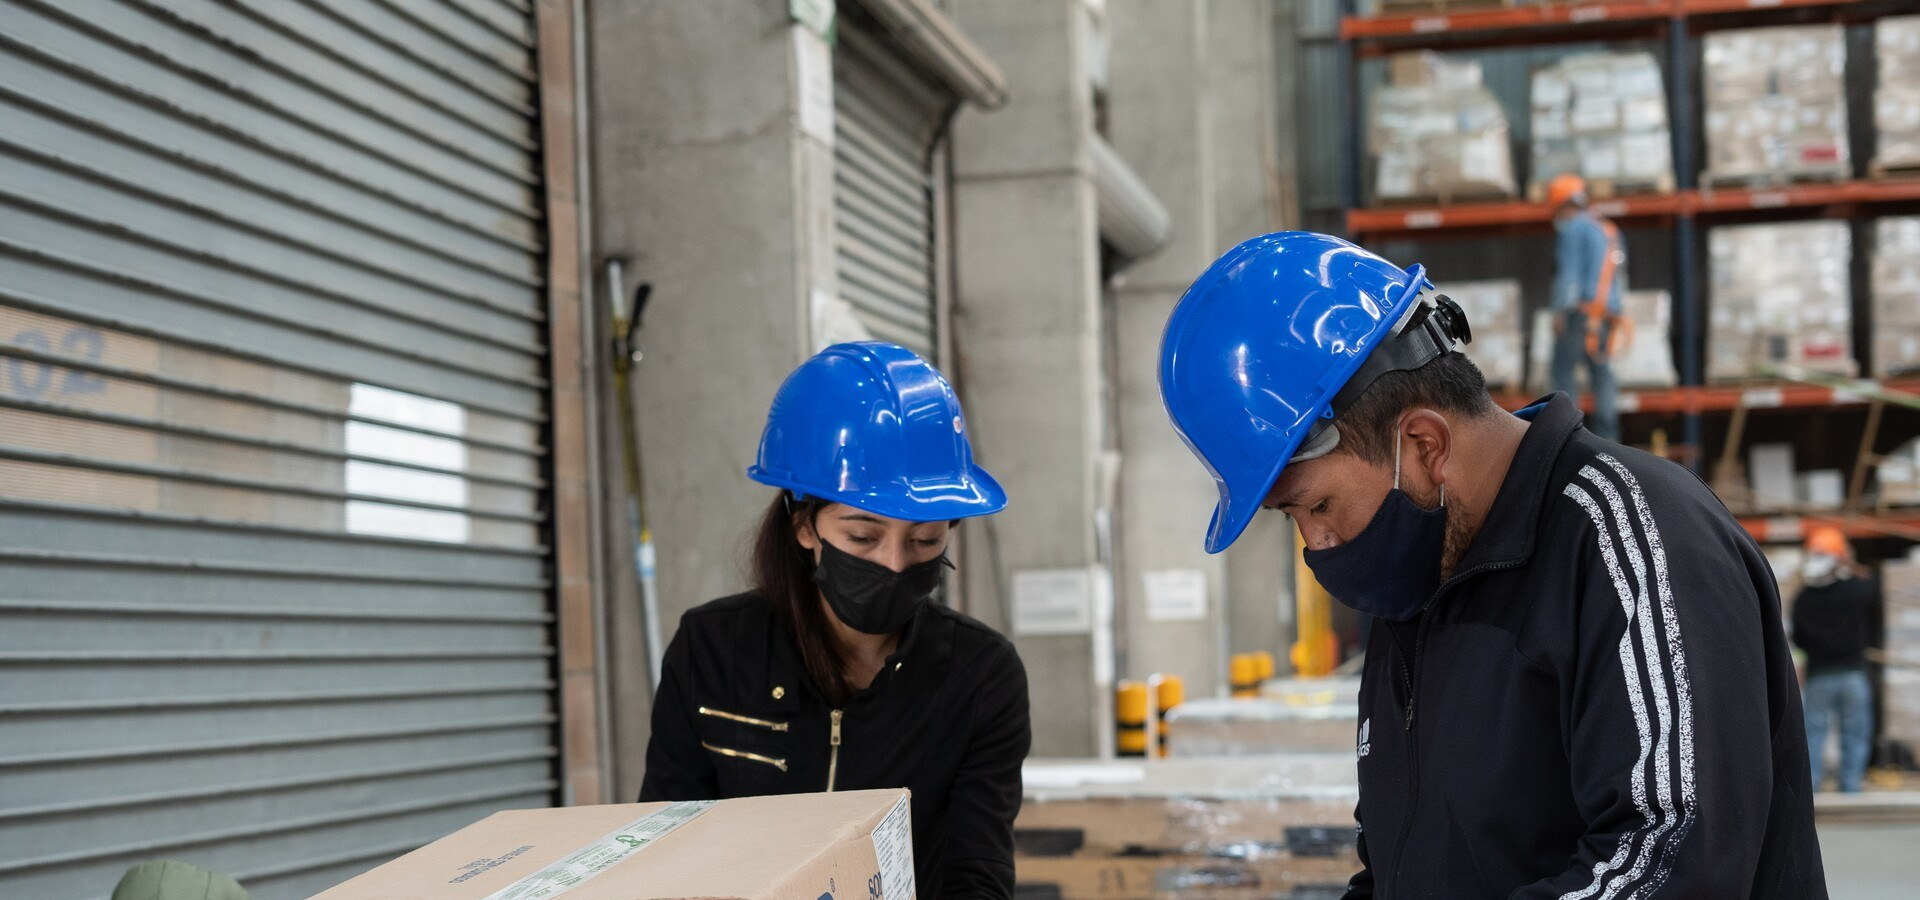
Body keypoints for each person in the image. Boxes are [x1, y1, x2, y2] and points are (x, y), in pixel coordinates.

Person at [1158, 232, 1825, 897]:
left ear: (1424, 443)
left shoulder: (1630, 539)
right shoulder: (1417, 589)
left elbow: (1669, 860)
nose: (1317, 543)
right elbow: (1399, 868)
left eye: (1318, 506)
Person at [640, 341, 1030, 900]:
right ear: (805, 527)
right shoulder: (712, 650)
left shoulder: (980, 675)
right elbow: (663, 849)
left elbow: (978, 872)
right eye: (863, 536)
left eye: (925, 539)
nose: (895, 564)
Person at [1791, 526, 1884, 793]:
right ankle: (1851, 786)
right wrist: (1849, 563)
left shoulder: (1803, 599)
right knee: (1854, 732)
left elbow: (1799, 639)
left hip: (1820, 676)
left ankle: (1811, 787)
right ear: (1840, 557)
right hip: (1853, 675)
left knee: (1814, 734)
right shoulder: (1856, 589)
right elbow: (1870, 583)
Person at [1547, 172, 1626, 442]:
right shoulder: (1608, 229)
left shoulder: (1572, 228)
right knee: (1602, 377)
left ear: (1562, 204)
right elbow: (1618, 277)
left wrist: (1560, 310)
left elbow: (1568, 274)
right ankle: (1609, 443)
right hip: (1606, 315)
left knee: (1562, 372)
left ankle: (1566, 438)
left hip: (1579, 313)